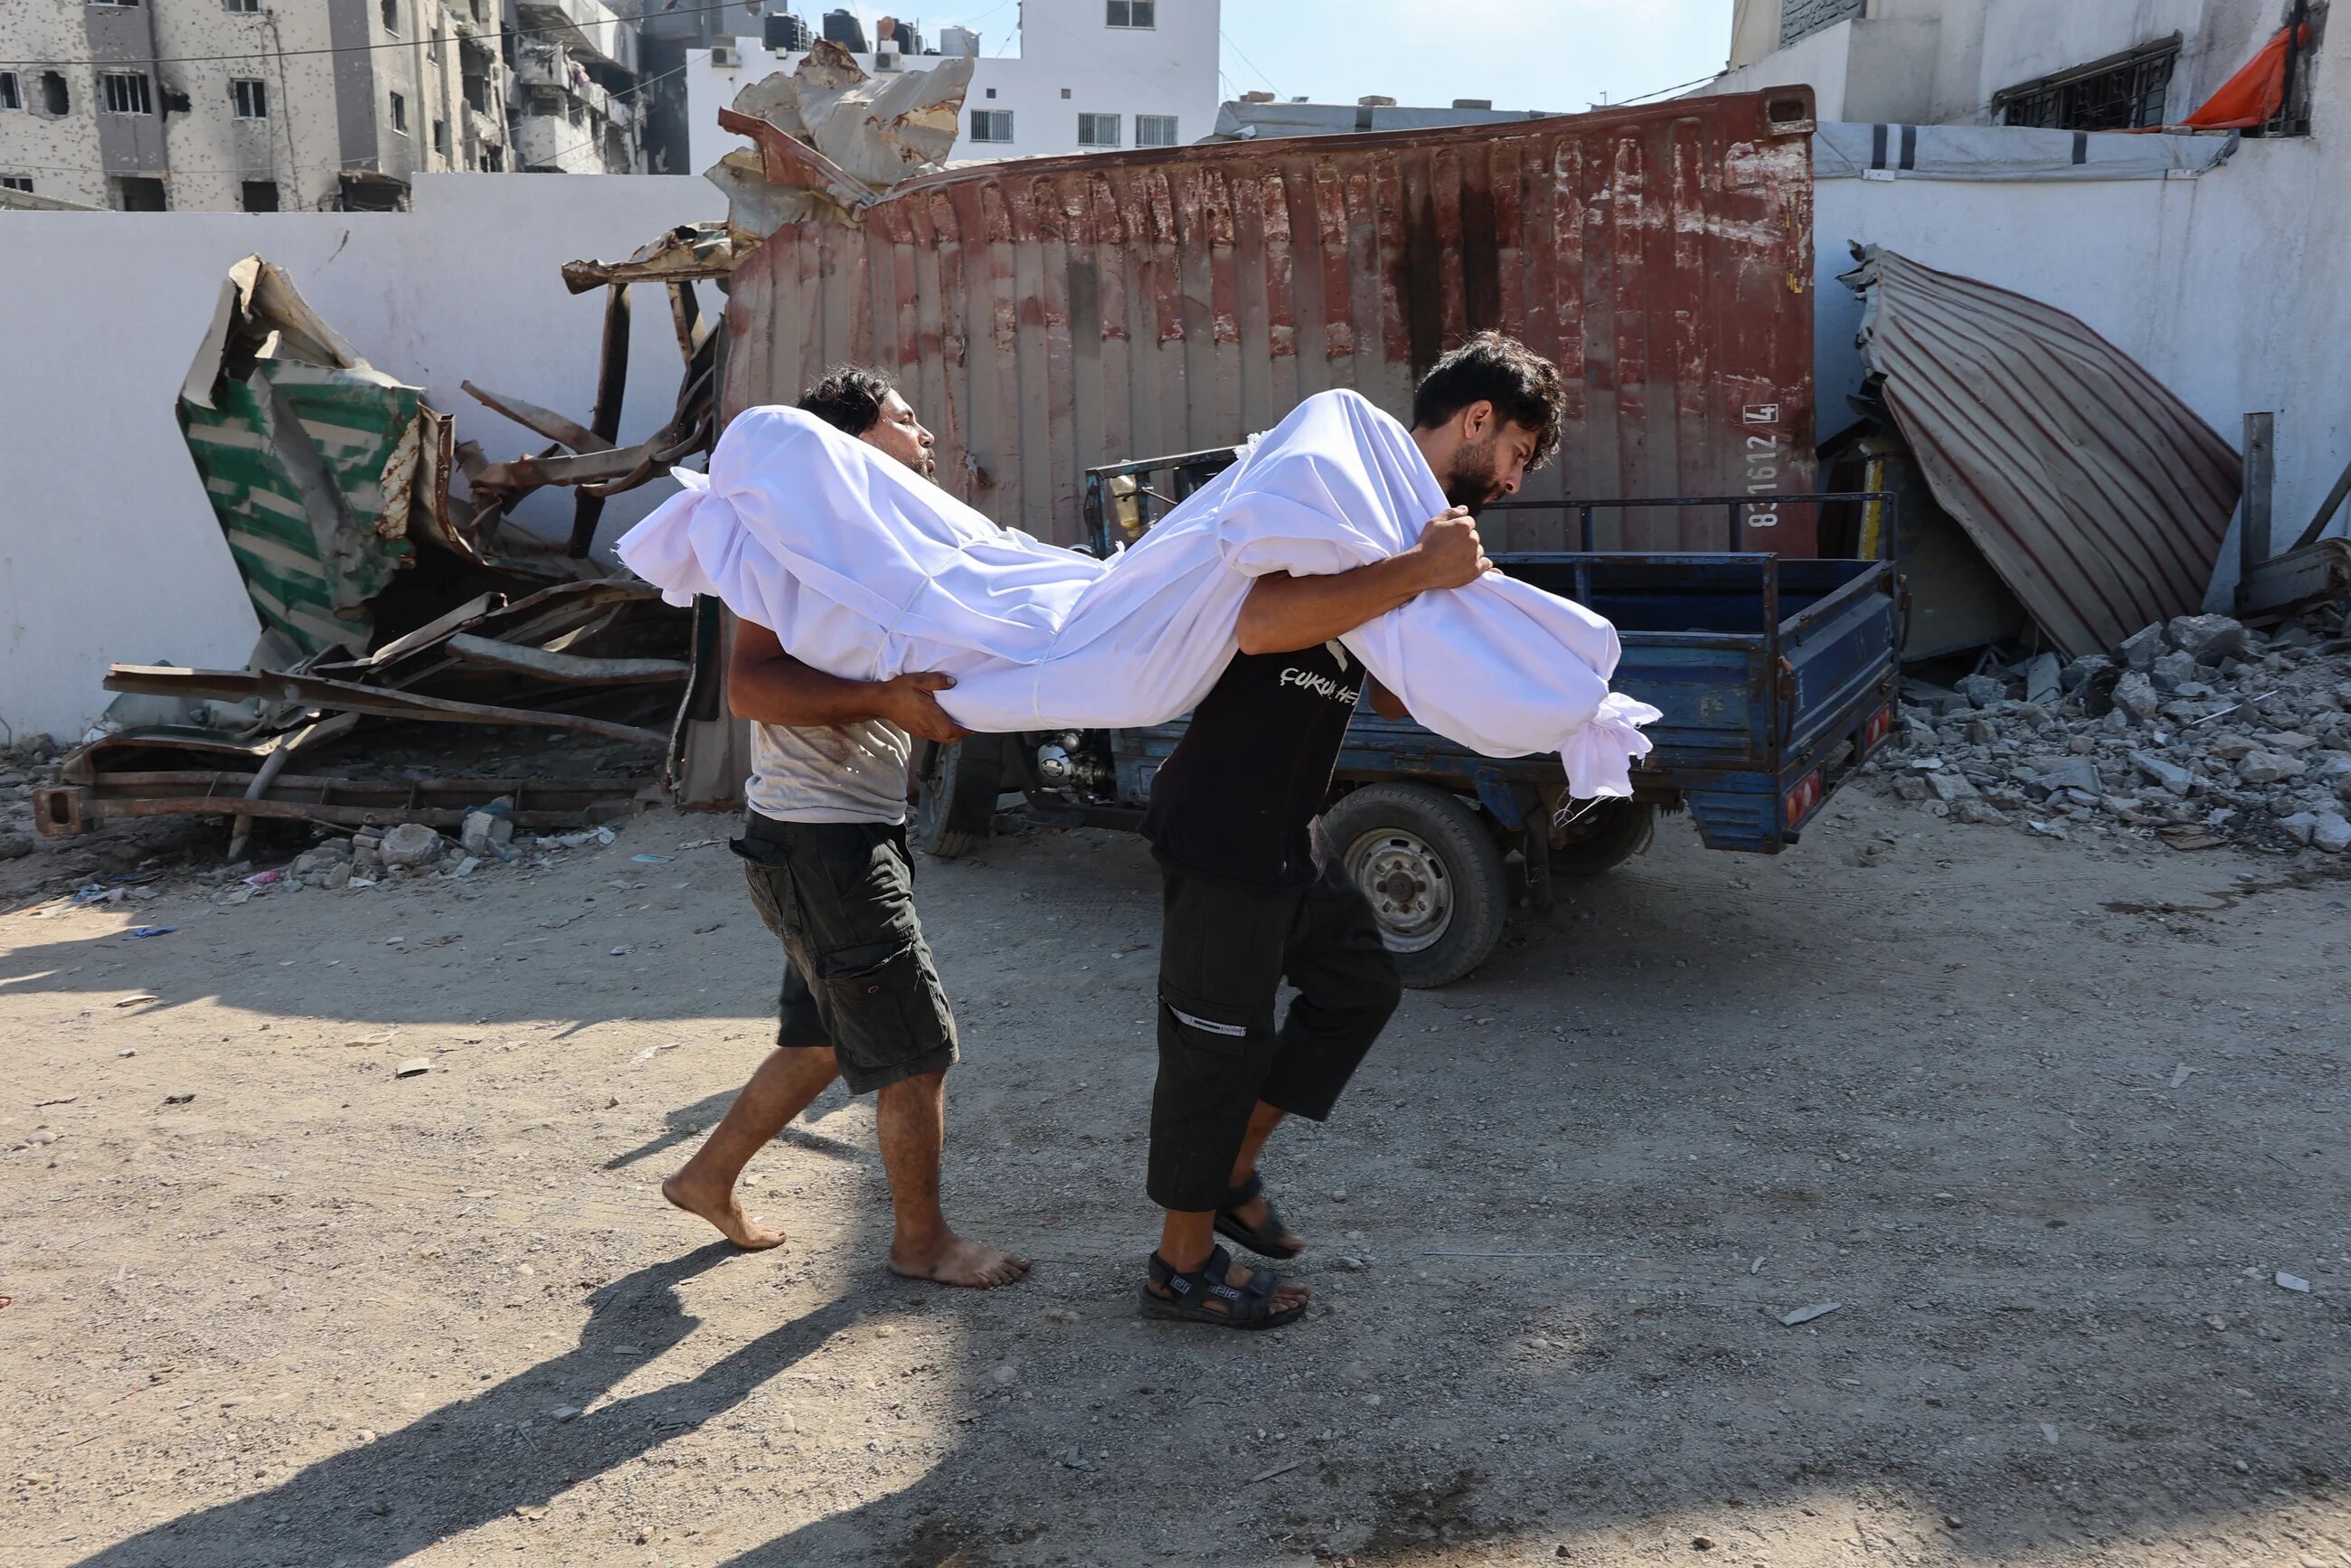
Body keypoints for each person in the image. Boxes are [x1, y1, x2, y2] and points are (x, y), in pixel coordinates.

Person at [1136, 331, 1566, 1328]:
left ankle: (1232, 1167)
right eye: (1517, 451)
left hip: (1291, 822)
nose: (1513, 477)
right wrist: (1418, 568)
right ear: (1476, 419)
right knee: (1215, 1046)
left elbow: (1383, 687)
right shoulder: (1334, 493)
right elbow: (1259, 624)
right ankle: (1178, 1265)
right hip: (1219, 821)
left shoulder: (1399, 528)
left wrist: (1449, 617)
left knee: (1359, 986)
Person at [663, 366, 1031, 1290]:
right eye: (905, 419)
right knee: (915, 1050)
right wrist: (883, 699)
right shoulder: (781, 542)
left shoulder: (874, 547)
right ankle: (920, 1243)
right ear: (851, 443)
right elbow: (748, 685)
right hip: (821, 843)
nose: (926, 435)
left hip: (840, 833)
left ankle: (704, 1177)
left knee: (821, 1041)